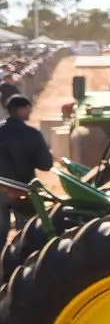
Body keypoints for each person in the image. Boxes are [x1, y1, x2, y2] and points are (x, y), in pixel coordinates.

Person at [0, 95, 53, 243]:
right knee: (24, 232)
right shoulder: (32, 134)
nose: (30, 112)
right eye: (29, 108)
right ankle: (20, 263)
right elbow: (46, 165)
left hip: (1, 189)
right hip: (24, 190)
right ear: (21, 109)